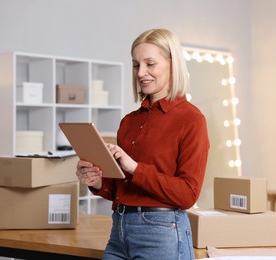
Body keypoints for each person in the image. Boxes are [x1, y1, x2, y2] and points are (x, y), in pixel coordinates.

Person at [76, 28, 210, 260]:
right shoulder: (128, 122)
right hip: (119, 231)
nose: (141, 73)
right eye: (137, 65)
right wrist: (98, 181)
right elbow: (122, 189)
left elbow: (188, 194)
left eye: (150, 64)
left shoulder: (191, 119)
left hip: (161, 235)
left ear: (172, 64)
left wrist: (134, 167)